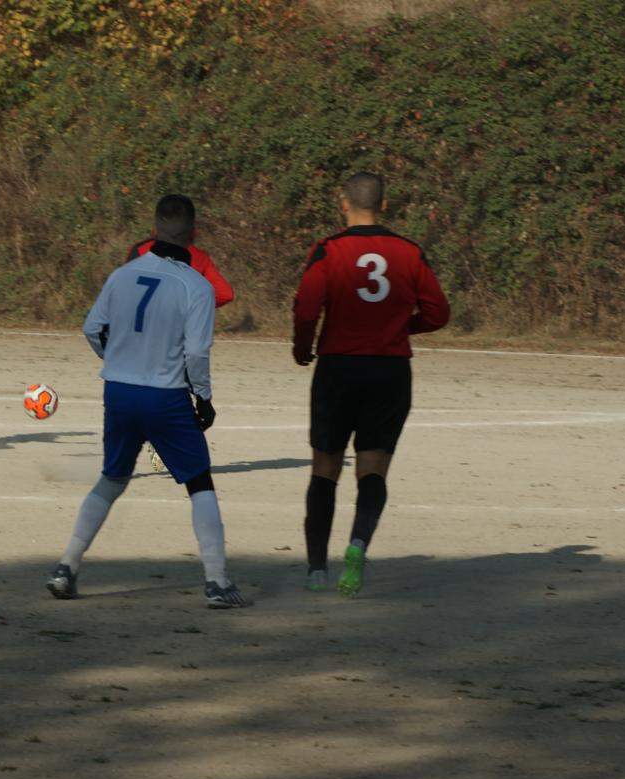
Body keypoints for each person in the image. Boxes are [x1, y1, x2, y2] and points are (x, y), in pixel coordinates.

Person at [46, 194, 249, 609]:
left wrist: (118, 359)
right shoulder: (197, 286)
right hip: (165, 396)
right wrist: (204, 398)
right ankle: (217, 582)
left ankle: (66, 568)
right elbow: (196, 353)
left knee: (112, 478)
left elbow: (92, 328)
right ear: (193, 236)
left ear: (153, 230)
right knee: (199, 482)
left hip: (118, 392)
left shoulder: (122, 275)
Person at [292, 172, 450, 597]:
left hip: (339, 368)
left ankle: (315, 570)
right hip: (389, 370)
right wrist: (401, 327)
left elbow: (307, 305)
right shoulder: (409, 252)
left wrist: (303, 346)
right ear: (384, 204)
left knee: (325, 466)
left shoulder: (329, 250)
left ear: (344, 204)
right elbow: (438, 312)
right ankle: (358, 545)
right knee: (373, 467)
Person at [127, 218, 235, 473]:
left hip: (143, 337)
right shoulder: (199, 257)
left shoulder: (140, 250)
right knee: (179, 393)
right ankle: (167, 444)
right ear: (192, 233)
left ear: (156, 230)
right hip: (180, 340)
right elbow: (225, 293)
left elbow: (127, 290)